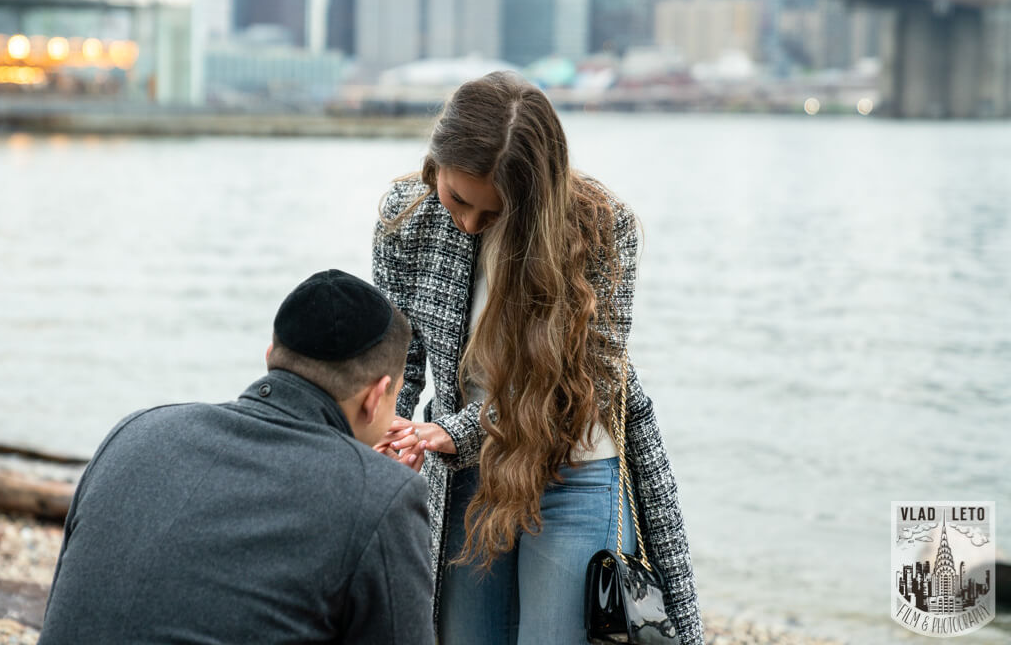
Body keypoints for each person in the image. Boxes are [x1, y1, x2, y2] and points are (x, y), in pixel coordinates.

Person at [371, 71, 702, 644]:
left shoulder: (600, 226)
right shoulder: (408, 214)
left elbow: (583, 383)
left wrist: (455, 432)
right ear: (437, 161)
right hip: (469, 476)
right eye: (458, 198)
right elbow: (394, 355)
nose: (469, 222)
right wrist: (384, 444)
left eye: (494, 213)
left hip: (573, 468)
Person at [38, 269, 434, 645]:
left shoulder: (135, 432)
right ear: (376, 395)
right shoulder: (383, 495)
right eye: (397, 394)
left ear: (270, 357)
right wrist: (379, 498)